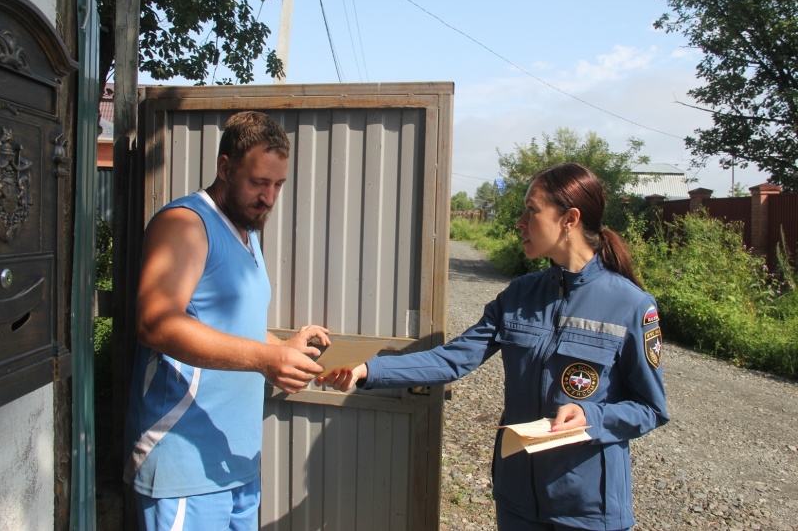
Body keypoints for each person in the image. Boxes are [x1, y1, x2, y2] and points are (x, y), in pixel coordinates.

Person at [319, 163, 669, 530]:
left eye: (531, 210)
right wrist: (367, 370)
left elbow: (650, 408)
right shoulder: (520, 294)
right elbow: (453, 359)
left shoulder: (631, 306)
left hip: (588, 511)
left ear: (570, 218)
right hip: (516, 503)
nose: (519, 221)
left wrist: (593, 417)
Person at [124, 111, 330, 530]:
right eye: (258, 182)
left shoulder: (246, 232)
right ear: (225, 166)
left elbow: (233, 327)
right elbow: (155, 324)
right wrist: (264, 359)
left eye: (278, 185)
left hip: (235, 461)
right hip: (184, 464)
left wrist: (283, 349)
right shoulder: (185, 223)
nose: (269, 197)